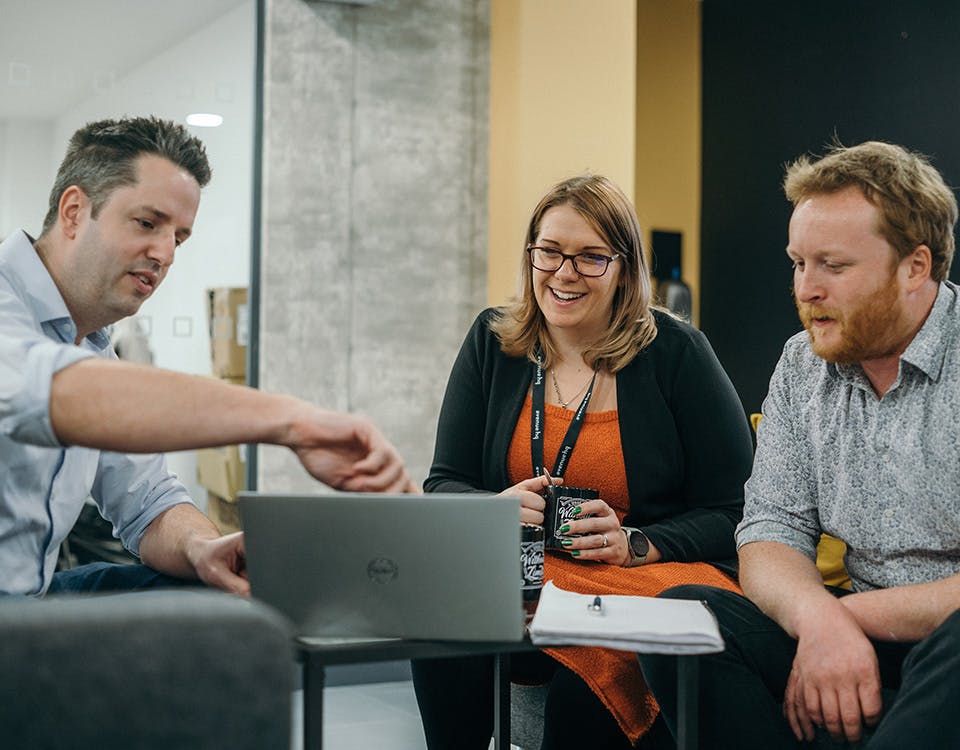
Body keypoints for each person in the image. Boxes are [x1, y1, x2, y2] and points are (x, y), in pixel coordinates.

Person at [0, 116, 415, 598]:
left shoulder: (93, 347)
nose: (164, 253)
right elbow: (59, 392)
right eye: (147, 223)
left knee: (215, 588)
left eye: (178, 237)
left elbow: (149, 502)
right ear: (74, 211)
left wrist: (201, 548)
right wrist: (292, 421)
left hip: (25, 606)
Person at [411, 174, 753, 749]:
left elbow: (737, 509)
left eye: (591, 257)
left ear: (625, 267)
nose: (564, 274)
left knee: (590, 677)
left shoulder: (676, 353)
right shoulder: (493, 342)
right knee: (439, 618)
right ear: (531, 254)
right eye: (549, 252)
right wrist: (491, 510)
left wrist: (637, 541)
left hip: (646, 576)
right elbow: (444, 483)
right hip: (529, 572)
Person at [638, 141, 960, 750]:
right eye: (797, 263)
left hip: (945, 646)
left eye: (833, 266)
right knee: (678, 615)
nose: (807, 288)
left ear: (915, 267)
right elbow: (770, 528)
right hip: (853, 638)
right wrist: (816, 621)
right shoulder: (801, 363)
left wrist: (837, 623)